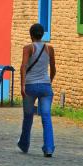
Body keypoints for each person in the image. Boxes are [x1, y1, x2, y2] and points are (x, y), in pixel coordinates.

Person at [17, 23, 56, 157]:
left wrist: (22, 85)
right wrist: (48, 82)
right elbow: (53, 69)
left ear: (31, 34)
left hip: (30, 86)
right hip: (45, 87)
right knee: (46, 117)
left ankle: (24, 144)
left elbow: (23, 66)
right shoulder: (49, 49)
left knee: (28, 117)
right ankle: (49, 148)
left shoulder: (28, 48)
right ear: (42, 34)